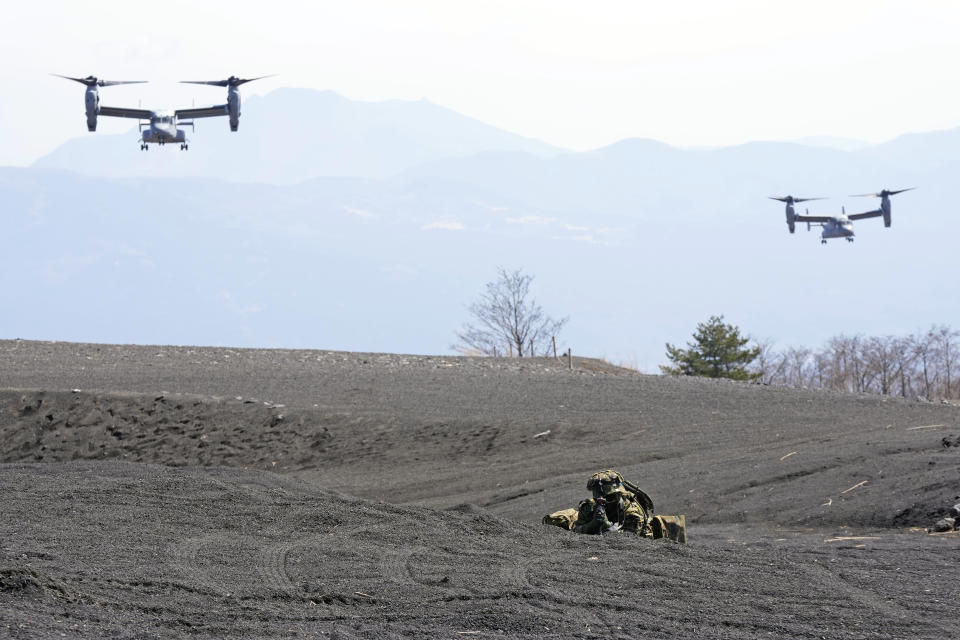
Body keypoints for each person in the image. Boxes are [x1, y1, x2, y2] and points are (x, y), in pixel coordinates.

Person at [542, 469, 686, 543]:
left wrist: (606, 527)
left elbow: (629, 539)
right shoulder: (591, 507)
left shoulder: (631, 511)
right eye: (601, 497)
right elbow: (577, 531)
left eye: (610, 497)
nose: (605, 500)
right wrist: (592, 525)